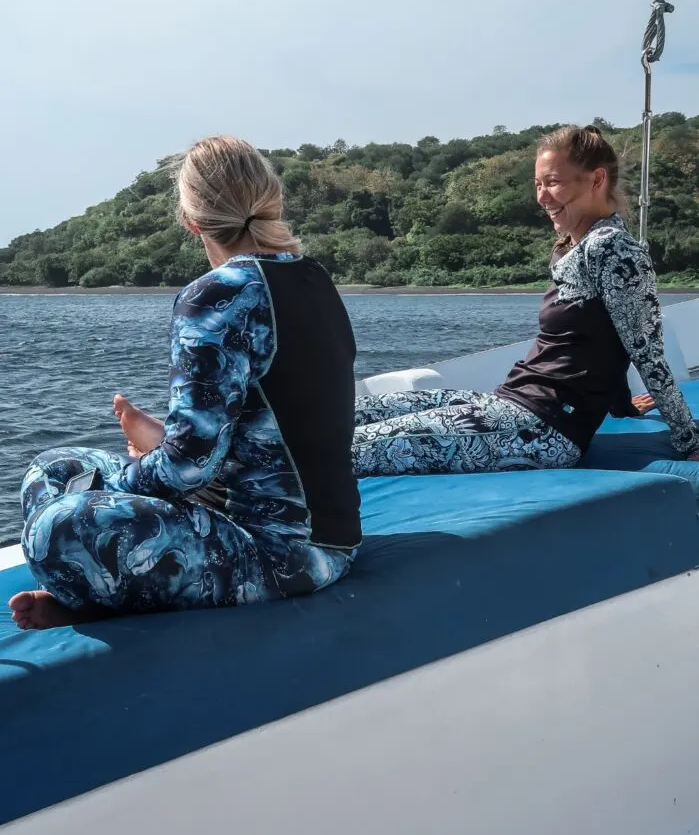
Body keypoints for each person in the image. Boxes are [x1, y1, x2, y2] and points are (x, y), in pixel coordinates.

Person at [10, 136, 361, 630]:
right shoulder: (314, 277)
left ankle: (96, 595)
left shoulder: (217, 295)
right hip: (332, 540)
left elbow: (189, 466)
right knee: (55, 466)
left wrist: (120, 479)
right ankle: (95, 588)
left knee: (59, 525)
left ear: (190, 220)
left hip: (282, 555)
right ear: (271, 201)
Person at [352, 125, 699, 477]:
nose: (542, 197)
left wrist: (690, 440)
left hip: (542, 429)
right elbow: (607, 336)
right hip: (511, 401)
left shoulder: (614, 248)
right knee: (355, 410)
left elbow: (644, 351)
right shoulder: (574, 247)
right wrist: (623, 406)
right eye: (538, 184)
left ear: (596, 179)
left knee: (348, 447)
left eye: (553, 182)